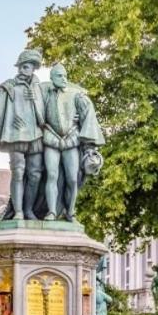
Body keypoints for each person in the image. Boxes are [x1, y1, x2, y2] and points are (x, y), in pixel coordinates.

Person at [0, 49, 47, 220]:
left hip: (36, 135)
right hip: (15, 135)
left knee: (35, 174)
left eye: (25, 67)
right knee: (18, 172)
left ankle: (28, 210)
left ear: (33, 68)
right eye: (20, 66)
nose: (21, 70)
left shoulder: (41, 89)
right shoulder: (8, 87)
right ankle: (18, 211)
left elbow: (50, 113)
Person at [38, 63, 103, 221]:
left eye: (65, 75)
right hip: (51, 139)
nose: (64, 78)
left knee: (72, 178)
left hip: (71, 139)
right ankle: (52, 212)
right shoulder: (44, 93)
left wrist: (89, 145)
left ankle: (70, 211)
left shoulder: (76, 94)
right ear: (52, 78)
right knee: (51, 175)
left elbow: (87, 115)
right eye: (60, 76)